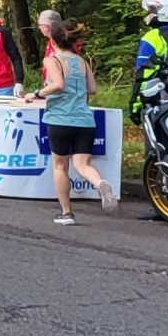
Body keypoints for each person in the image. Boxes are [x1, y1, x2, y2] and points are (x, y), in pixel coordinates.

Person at [27, 19, 106, 225]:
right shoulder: (82, 62)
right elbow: (93, 89)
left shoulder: (52, 60)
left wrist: (36, 93)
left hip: (60, 118)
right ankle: (100, 183)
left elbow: (58, 84)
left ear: (52, 40)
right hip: (85, 120)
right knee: (82, 164)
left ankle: (66, 212)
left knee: (60, 166)